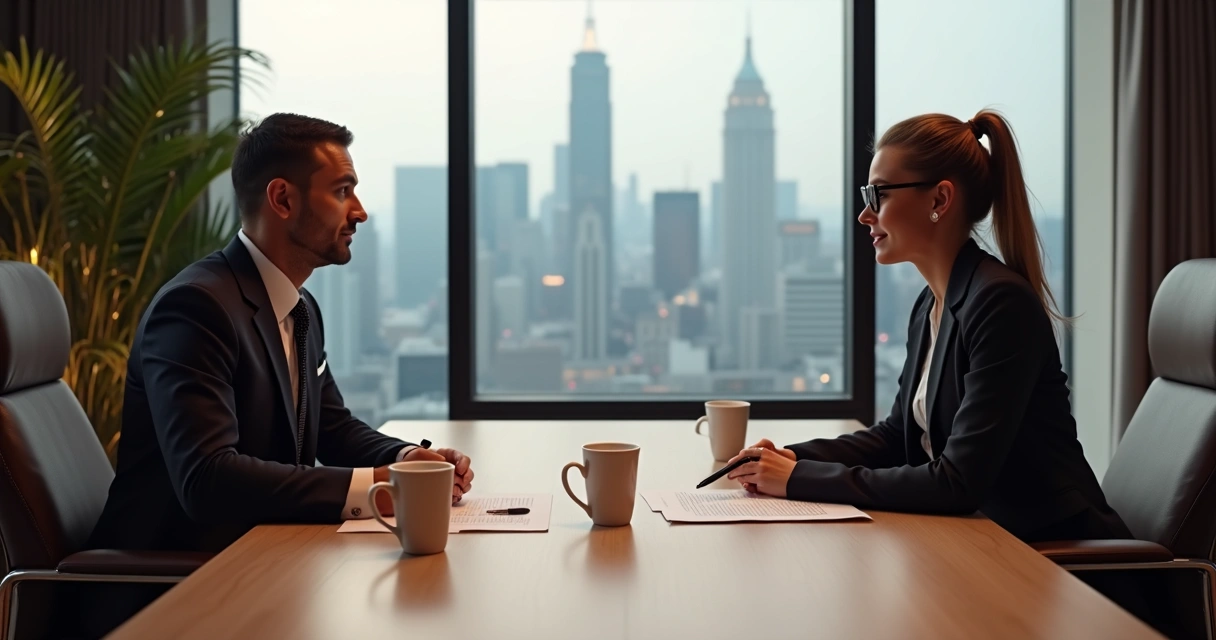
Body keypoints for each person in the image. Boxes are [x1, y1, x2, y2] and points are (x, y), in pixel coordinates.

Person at [74, 113, 473, 637]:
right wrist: (379, 489)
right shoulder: (196, 308)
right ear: (283, 200)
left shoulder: (298, 306)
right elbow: (208, 480)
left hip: (266, 571)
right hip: (172, 593)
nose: (361, 211)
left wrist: (404, 460)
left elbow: (332, 426)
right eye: (343, 190)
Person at [726, 110, 1128, 543]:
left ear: (939, 200)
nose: (865, 214)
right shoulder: (931, 304)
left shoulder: (1000, 304)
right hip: (987, 545)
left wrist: (798, 478)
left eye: (878, 194)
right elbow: (897, 436)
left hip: (1060, 561)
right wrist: (789, 457)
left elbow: (957, 482)